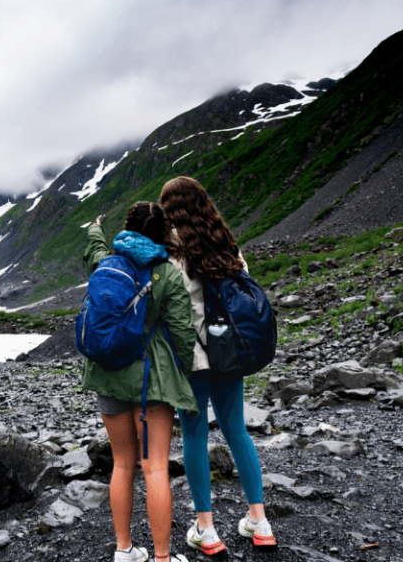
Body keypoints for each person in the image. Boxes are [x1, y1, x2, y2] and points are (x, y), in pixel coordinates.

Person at [159, 176, 277, 556]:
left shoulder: (169, 252)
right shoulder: (225, 244)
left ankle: (206, 530)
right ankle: (259, 521)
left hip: (191, 359)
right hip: (229, 353)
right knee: (237, 430)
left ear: (170, 209)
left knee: (195, 438)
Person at [82, 201, 196, 562]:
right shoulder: (167, 272)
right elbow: (181, 331)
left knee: (122, 465)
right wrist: (187, 371)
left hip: (107, 376)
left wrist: (95, 229)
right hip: (152, 382)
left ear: (128, 227)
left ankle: (124, 550)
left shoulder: (108, 263)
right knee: (156, 468)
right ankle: (162, 558)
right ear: (163, 233)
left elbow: (95, 250)